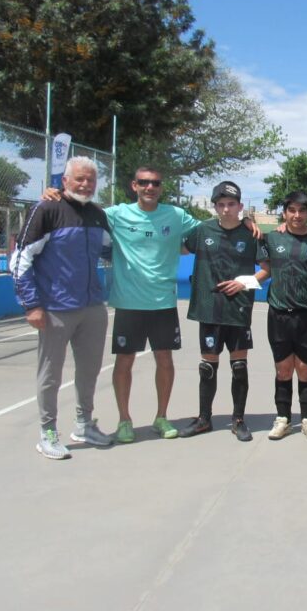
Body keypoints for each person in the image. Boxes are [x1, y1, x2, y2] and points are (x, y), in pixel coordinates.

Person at [11, 156, 114, 459]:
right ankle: (48, 432)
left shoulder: (98, 214)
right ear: (65, 181)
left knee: (90, 371)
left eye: (90, 180)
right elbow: (20, 261)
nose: (85, 184)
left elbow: (110, 249)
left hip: (92, 307)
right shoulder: (46, 209)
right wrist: (32, 305)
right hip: (54, 308)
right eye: (79, 179)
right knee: (51, 374)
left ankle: (84, 424)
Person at [105, 166, 201, 443]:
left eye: (155, 183)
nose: (150, 187)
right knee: (124, 361)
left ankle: (161, 417)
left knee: (165, 360)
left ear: (161, 187)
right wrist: (55, 195)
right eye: (144, 183)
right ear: (134, 185)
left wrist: (247, 224)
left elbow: (210, 231)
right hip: (128, 303)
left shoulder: (176, 215)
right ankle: (124, 420)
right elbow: (81, 213)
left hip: (163, 303)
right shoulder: (117, 214)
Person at [178, 180, 264, 441]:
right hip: (210, 309)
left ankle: (238, 420)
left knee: (239, 366)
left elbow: (266, 269)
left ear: (240, 206)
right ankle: (204, 419)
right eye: (221, 204)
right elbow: (177, 247)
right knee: (208, 367)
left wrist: (243, 283)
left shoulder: (251, 234)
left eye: (231, 204)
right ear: (215, 206)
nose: (226, 209)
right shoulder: (202, 230)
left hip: (238, 311)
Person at [259, 191, 307, 441]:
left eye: (302, 210)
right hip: (278, 314)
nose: (297, 215)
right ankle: (283, 419)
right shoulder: (272, 237)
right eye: (292, 210)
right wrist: (247, 222)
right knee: (283, 371)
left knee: (305, 371)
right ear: (285, 212)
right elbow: (248, 235)